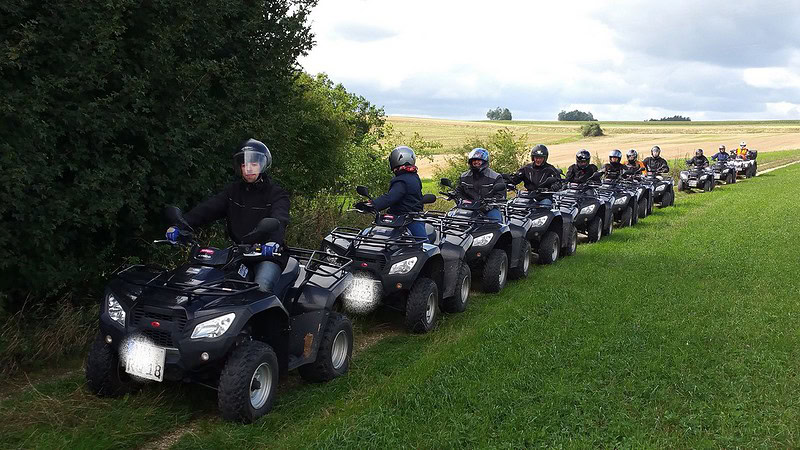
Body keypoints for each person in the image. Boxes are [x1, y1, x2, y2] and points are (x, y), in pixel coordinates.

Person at [167, 138, 290, 295]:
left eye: (253, 164)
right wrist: (181, 225)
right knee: (209, 287)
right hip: (237, 254)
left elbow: (280, 218)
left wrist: (273, 242)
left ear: (262, 165)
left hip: (268, 255)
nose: (248, 169)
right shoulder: (233, 192)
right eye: (244, 165)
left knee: (261, 289)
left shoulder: (276, 194)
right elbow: (207, 209)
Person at [355, 146, 427, 240]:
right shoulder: (414, 177)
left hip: (406, 220)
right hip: (410, 217)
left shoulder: (402, 180)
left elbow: (390, 198)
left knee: (424, 246)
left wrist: (372, 204)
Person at [455, 147, 506, 222]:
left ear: (484, 161)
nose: (476, 162)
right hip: (468, 207)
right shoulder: (464, 176)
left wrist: (488, 206)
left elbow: (501, 196)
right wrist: (459, 199)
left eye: (479, 160)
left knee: (496, 224)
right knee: (451, 219)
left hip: (488, 209)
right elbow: (459, 191)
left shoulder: (495, 177)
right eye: (474, 160)